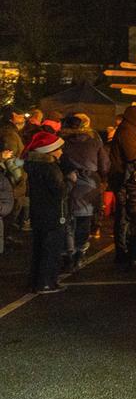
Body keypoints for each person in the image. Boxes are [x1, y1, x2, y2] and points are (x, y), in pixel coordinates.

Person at [60, 114, 109, 269]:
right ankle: (80, 253)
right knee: (84, 220)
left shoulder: (63, 143)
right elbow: (105, 164)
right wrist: (103, 179)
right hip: (89, 185)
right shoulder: (94, 142)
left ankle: (69, 253)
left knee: (68, 221)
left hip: (69, 182)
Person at [23, 131, 68, 293]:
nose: (61, 152)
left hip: (38, 212)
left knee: (39, 248)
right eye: (59, 149)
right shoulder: (50, 168)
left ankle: (35, 281)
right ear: (50, 150)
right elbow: (60, 192)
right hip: (53, 213)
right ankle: (46, 282)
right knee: (51, 248)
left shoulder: (32, 166)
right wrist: (69, 181)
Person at [107, 106, 136, 263]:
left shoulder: (128, 131)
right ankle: (123, 253)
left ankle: (125, 252)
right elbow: (133, 157)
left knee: (125, 216)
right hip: (125, 181)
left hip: (124, 179)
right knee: (124, 216)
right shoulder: (127, 133)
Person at [1, 106, 29, 235]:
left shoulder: (12, 133)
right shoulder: (10, 135)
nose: (24, 119)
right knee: (11, 210)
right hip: (13, 183)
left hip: (12, 181)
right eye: (21, 116)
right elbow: (11, 159)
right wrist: (20, 177)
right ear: (12, 117)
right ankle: (6, 238)